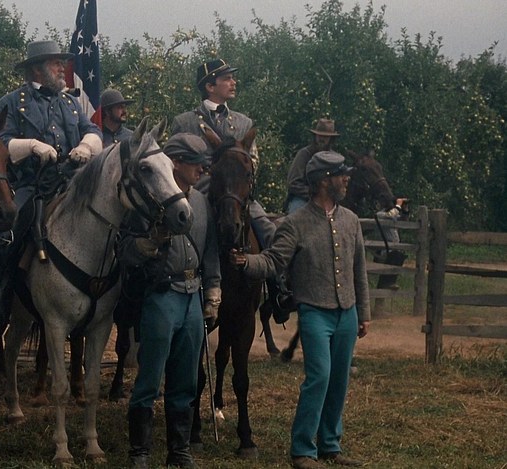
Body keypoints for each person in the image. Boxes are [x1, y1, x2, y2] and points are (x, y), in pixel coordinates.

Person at [230, 151, 370, 469]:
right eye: (341, 174)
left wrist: (363, 313)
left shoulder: (351, 221)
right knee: (319, 376)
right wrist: (246, 262)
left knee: (338, 380)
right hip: (315, 312)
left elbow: (359, 269)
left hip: (347, 312)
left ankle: (330, 446)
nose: (346, 179)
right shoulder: (296, 223)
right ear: (323, 181)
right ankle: (302, 450)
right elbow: (273, 260)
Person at [0, 40, 102, 326]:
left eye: (62, 63)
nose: (62, 68)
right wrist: (31, 146)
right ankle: (0, 292)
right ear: (37, 69)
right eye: (56, 63)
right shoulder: (11, 101)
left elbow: (92, 129)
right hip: (32, 183)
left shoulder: (70, 103)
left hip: (70, 182)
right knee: (13, 224)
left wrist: (86, 146)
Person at [120, 133, 220, 468]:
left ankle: (179, 450)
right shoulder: (149, 199)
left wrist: (214, 290)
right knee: (150, 377)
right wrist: (148, 244)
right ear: (175, 163)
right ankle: (140, 451)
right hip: (162, 294)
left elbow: (210, 251)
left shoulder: (201, 202)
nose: (201, 170)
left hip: (193, 296)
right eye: (194, 163)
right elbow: (126, 251)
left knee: (186, 379)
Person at [170, 59, 275, 247]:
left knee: (268, 230)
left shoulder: (244, 123)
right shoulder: (184, 122)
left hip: (235, 190)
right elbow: (173, 162)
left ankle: (277, 264)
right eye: (227, 79)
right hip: (199, 189)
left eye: (232, 78)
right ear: (210, 86)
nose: (233, 83)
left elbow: (253, 161)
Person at [285, 118, 339, 213]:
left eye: (325, 137)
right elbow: (293, 183)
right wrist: (314, 194)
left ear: (331, 139)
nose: (322, 139)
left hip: (327, 200)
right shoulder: (304, 154)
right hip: (303, 199)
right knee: (296, 215)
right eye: (319, 136)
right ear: (315, 136)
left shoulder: (335, 158)